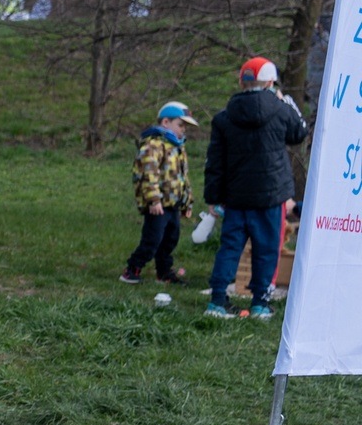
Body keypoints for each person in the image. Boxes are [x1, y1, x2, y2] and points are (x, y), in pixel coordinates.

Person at [205, 57, 308, 320]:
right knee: (267, 249)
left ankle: (217, 300)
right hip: (271, 196)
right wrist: (287, 101)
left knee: (230, 248)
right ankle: (260, 302)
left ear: (242, 82)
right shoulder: (281, 110)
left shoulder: (224, 117)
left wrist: (214, 198)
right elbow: (299, 133)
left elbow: (215, 161)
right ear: (271, 82)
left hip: (236, 197)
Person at [121, 103, 199, 285]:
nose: (183, 129)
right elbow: (148, 174)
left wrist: (187, 202)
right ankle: (132, 269)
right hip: (158, 205)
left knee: (170, 239)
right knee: (152, 239)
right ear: (165, 122)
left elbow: (183, 177)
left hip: (173, 204)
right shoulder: (153, 145)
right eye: (180, 125)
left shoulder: (178, 147)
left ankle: (163, 272)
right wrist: (154, 200)